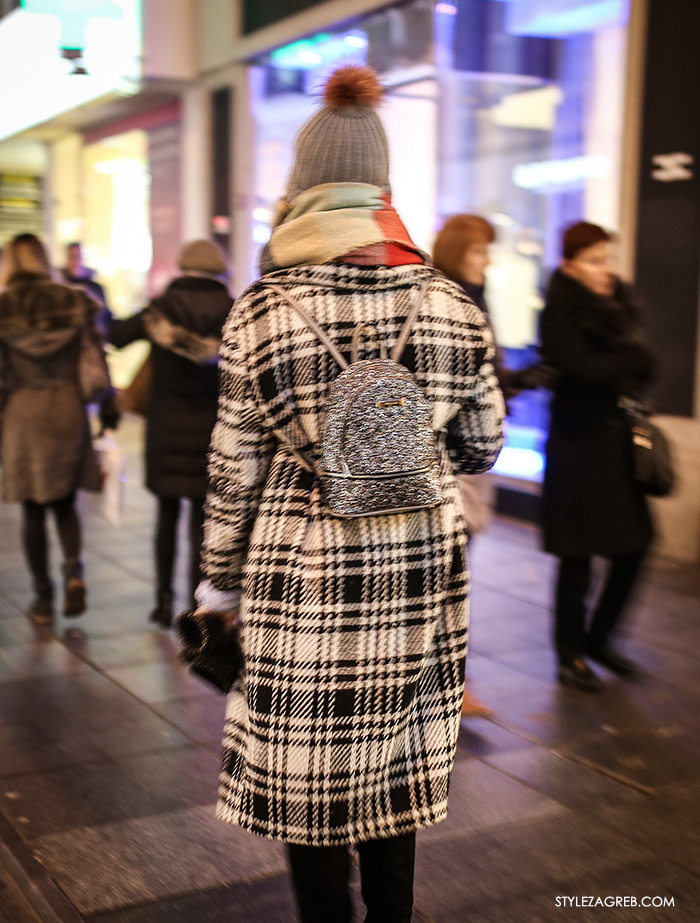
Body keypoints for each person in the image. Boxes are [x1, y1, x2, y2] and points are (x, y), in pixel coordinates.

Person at [195, 66, 504, 923]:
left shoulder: (261, 309)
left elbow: (233, 470)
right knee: (394, 760)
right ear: (382, 188)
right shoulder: (452, 303)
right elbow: (482, 445)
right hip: (417, 569)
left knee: (314, 770)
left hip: (305, 575)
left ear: (300, 190)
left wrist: (218, 582)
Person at [433, 213, 545, 717]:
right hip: (452, 457)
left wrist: (516, 380)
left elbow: (484, 377)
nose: (487, 261)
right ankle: (451, 683)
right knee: (449, 568)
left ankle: (451, 681)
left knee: (454, 566)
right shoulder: (451, 300)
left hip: (469, 454)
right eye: (479, 252)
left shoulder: (471, 299)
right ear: (458, 253)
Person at [540, 221, 654, 692]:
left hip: (615, 445)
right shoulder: (559, 310)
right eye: (593, 260)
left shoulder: (618, 304)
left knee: (637, 543)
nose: (604, 269)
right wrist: (628, 362)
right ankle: (570, 655)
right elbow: (582, 370)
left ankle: (600, 638)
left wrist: (626, 364)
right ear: (570, 264)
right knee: (578, 555)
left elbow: (645, 366)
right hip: (576, 447)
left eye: (606, 258)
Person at [109, 239, 232, 628]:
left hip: (164, 428)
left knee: (165, 516)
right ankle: (196, 603)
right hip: (211, 432)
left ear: (182, 266)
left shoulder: (159, 309)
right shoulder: (233, 310)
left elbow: (115, 334)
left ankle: (161, 601)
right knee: (202, 520)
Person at [0, 233, 107, 624]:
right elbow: (98, 359)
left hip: (22, 412)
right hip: (66, 407)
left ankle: (43, 599)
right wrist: (108, 408)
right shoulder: (73, 299)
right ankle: (73, 572)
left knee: (32, 507)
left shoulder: (4, 307)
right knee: (64, 502)